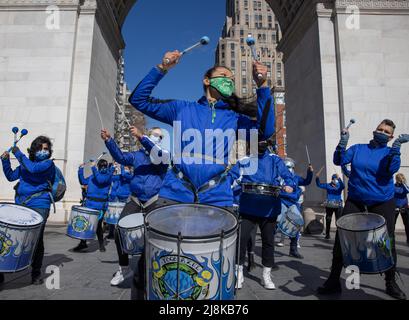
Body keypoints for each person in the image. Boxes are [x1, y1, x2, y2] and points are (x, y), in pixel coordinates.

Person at [127, 51, 274, 298]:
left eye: (231, 79)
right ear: (207, 80)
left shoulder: (235, 119)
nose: (228, 81)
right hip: (175, 193)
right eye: (222, 76)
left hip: (216, 196)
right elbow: (139, 101)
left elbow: (266, 130)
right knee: (151, 261)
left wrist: (263, 86)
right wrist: (162, 68)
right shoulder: (181, 109)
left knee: (217, 263)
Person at [317, 119, 409, 300]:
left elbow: (392, 169)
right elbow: (339, 159)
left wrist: (397, 148)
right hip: (357, 199)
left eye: (386, 131)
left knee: (387, 240)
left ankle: (391, 282)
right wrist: (343, 142)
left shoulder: (390, 152)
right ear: (374, 130)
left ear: (391, 137)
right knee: (341, 238)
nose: (381, 132)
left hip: (382, 200)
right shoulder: (358, 148)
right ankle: (334, 280)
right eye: (379, 129)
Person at [101, 126, 169, 287]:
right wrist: (109, 141)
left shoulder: (163, 155)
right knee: (119, 231)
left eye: (159, 136)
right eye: (153, 134)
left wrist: (141, 137)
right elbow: (121, 157)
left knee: (154, 237)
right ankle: (124, 268)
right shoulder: (137, 155)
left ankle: (152, 269)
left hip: (154, 200)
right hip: (136, 199)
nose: (156, 138)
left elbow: (156, 154)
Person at [233, 139, 295, 290]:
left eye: (262, 141)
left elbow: (287, 176)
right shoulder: (243, 160)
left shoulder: (275, 159)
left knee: (268, 242)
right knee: (241, 240)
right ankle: (239, 273)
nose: (260, 143)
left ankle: (266, 275)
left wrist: (289, 185)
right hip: (248, 207)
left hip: (269, 208)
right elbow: (232, 178)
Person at [1, 136, 56, 285]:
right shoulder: (26, 163)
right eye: (40, 148)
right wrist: (5, 160)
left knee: (37, 239)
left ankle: (36, 273)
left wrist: (18, 153)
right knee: (9, 235)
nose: (43, 151)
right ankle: (3, 269)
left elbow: (33, 169)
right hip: (21, 203)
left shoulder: (48, 164)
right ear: (34, 149)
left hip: (40, 204)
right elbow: (11, 176)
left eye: (46, 149)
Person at [276, 158, 313, 259]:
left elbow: (306, 181)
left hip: (292, 203)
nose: (290, 169)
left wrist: (309, 172)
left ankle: (293, 249)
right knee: (275, 225)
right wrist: (283, 188)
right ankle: (269, 250)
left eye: (292, 167)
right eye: (288, 167)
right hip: (281, 202)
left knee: (296, 225)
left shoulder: (295, 178)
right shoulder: (278, 177)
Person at [74, 159, 114, 253]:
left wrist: (93, 167)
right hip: (89, 204)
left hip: (100, 205)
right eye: (102, 166)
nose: (103, 168)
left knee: (97, 225)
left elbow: (100, 180)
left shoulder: (108, 176)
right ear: (99, 167)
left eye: (105, 166)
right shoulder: (93, 176)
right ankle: (83, 243)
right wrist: (80, 170)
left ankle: (101, 244)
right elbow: (83, 181)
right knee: (85, 224)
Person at [106, 163, 132, 239]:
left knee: (123, 216)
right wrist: (112, 167)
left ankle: (122, 233)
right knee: (113, 214)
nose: (125, 169)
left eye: (127, 168)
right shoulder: (120, 176)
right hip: (117, 197)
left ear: (129, 169)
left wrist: (122, 165)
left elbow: (124, 175)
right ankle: (111, 233)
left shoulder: (131, 176)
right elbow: (110, 177)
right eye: (125, 168)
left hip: (126, 198)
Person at [316, 173, 345, 239]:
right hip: (330, 205)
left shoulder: (339, 186)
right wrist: (317, 178)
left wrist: (339, 178)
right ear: (331, 180)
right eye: (333, 179)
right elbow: (319, 185)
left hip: (338, 205)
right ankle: (327, 234)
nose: (335, 180)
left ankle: (339, 235)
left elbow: (343, 186)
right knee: (328, 219)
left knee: (338, 220)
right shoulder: (328, 185)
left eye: (336, 179)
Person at [394, 173, 409, 244]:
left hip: (404, 207)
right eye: (400, 179)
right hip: (395, 208)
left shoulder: (404, 187)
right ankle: (392, 239)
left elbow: (407, 190)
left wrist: (403, 183)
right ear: (397, 179)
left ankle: (408, 240)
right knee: (392, 224)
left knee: (407, 225)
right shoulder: (393, 187)